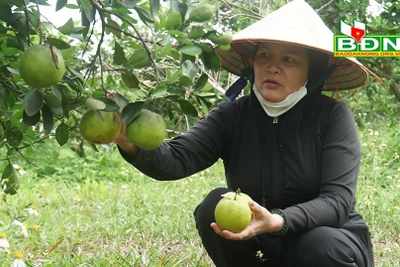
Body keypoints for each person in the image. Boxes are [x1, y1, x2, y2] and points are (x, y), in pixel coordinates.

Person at [115, 0, 380, 266]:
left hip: (330, 241)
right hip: (261, 240)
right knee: (214, 206)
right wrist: (130, 142)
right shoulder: (232, 115)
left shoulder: (332, 116)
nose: (272, 67)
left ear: (312, 72)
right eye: (265, 56)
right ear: (252, 64)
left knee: (318, 244)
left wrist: (278, 220)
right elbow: (176, 159)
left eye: (289, 59)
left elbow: (337, 201)